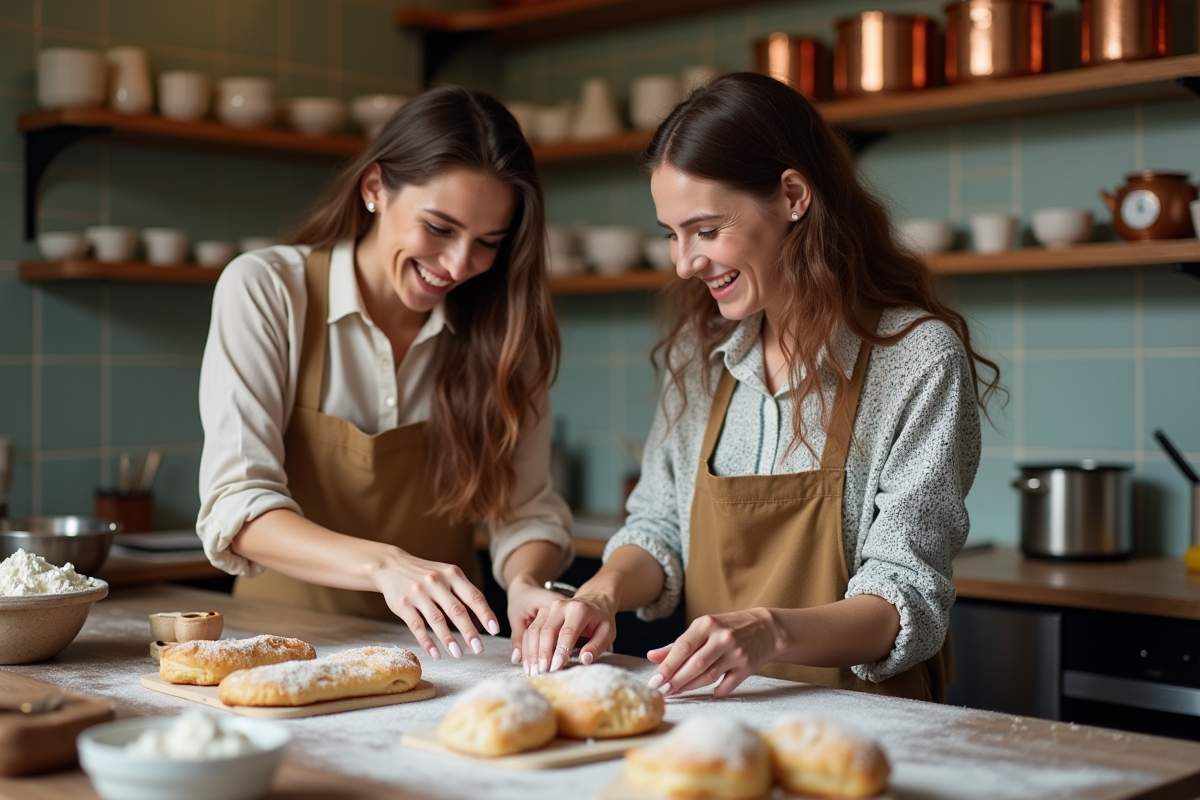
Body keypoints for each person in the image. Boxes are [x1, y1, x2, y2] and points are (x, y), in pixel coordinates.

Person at [519, 72, 1001, 702]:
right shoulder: (702, 352)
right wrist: (599, 593)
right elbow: (660, 525)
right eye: (672, 234)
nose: (684, 263)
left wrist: (766, 631)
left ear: (794, 195)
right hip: (723, 720)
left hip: (868, 728)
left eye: (707, 230)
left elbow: (902, 596)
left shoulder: (915, 358)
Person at [197, 85, 575, 663]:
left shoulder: (504, 336)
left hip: (442, 657)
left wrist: (526, 582)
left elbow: (526, 511)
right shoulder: (268, 291)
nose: (456, 266)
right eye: (439, 228)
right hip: (280, 646)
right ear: (375, 187)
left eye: (487, 243)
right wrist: (386, 566)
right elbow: (238, 506)